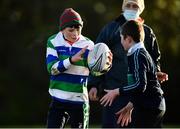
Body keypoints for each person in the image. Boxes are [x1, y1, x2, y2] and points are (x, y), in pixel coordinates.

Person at [88, 0, 168, 128]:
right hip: (114, 91)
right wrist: (94, 84)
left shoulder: (146, 34)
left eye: (135, 6)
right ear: (123, 7)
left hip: (139, 96)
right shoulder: (110, 29)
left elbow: (153, 60)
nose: (131, 8)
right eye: (128, 5)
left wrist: (155, 72)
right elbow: (96, 57)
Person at [100, 20, 166, 128]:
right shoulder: (138, 53)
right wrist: (130, 105)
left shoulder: (137, 55)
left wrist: (117, 91)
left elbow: (140, 86)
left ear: (129, 39)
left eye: (121, 38)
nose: (121, 42)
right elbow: (144, 86)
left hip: (150, 106)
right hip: (153, 105)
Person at [46, 8, 94, 128]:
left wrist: (106, 65)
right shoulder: (53, 41)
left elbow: (95, 72)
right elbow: (52, 69)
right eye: (71, 30)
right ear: (62, 30)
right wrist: (71, 60)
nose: (75, 34)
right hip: (58, 99)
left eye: (78, 29)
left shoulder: (90, 45)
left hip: (79, 101)